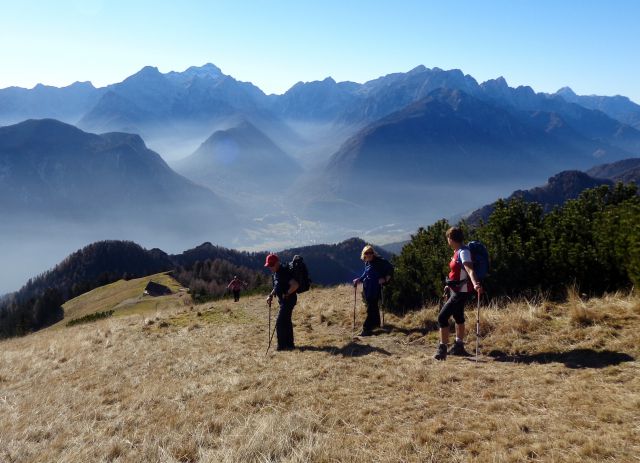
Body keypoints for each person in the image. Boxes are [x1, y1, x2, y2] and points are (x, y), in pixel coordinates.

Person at [435, 227, 483, 360]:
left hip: (461, 292)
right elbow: (456, 273)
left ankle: (442, 348)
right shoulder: (457, 251)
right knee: (458, 317)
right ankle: (459, 346)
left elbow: (469, 269)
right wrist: (448, 285)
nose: (447, 241)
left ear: (451, 239)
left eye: (448, 239)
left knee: (442, 318)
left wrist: (475, 284)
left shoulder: (463, 252)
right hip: (455, 289)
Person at [352, 245, 393, 336]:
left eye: (370, 252)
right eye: (367, 253)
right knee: (373, 307)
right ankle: (376, 324)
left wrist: (385, 279)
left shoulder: (379, 261)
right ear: (364, 254)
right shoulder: (367, 263)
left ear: (373, 253)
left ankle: (366, 329)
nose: (369, 254)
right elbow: (365, 275)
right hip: (368, 289)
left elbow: (390, 267)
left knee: (370, 309)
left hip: (375, 289)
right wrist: (358, 279)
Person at [265, 254, 299, 351]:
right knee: (286, 321)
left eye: (271, 265)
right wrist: (271, 295)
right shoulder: (276, 273)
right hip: (284, 301)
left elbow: (295, 285)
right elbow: (277, 286)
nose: (270, 267)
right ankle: (290, 344)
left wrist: (287, 294)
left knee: (280, 322)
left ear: (277, 263)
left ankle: (282, 346)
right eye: (268, 265)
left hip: (289, 300)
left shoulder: (283, 272)